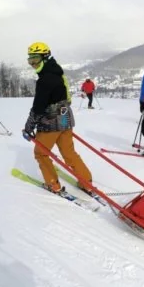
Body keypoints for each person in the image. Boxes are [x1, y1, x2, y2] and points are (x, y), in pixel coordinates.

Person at [21, 42, 94, 194]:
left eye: (35, 59)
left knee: (41, 153)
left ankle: (53, 184)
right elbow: (67, 96)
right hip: (64, 117)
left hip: (50, 122)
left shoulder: (44, 79)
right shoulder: (58, 72)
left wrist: (29, 127)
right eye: (30, 60)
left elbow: (38, 108)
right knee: (68, 152)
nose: (32, 64)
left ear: (45, 57)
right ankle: (86, 182)